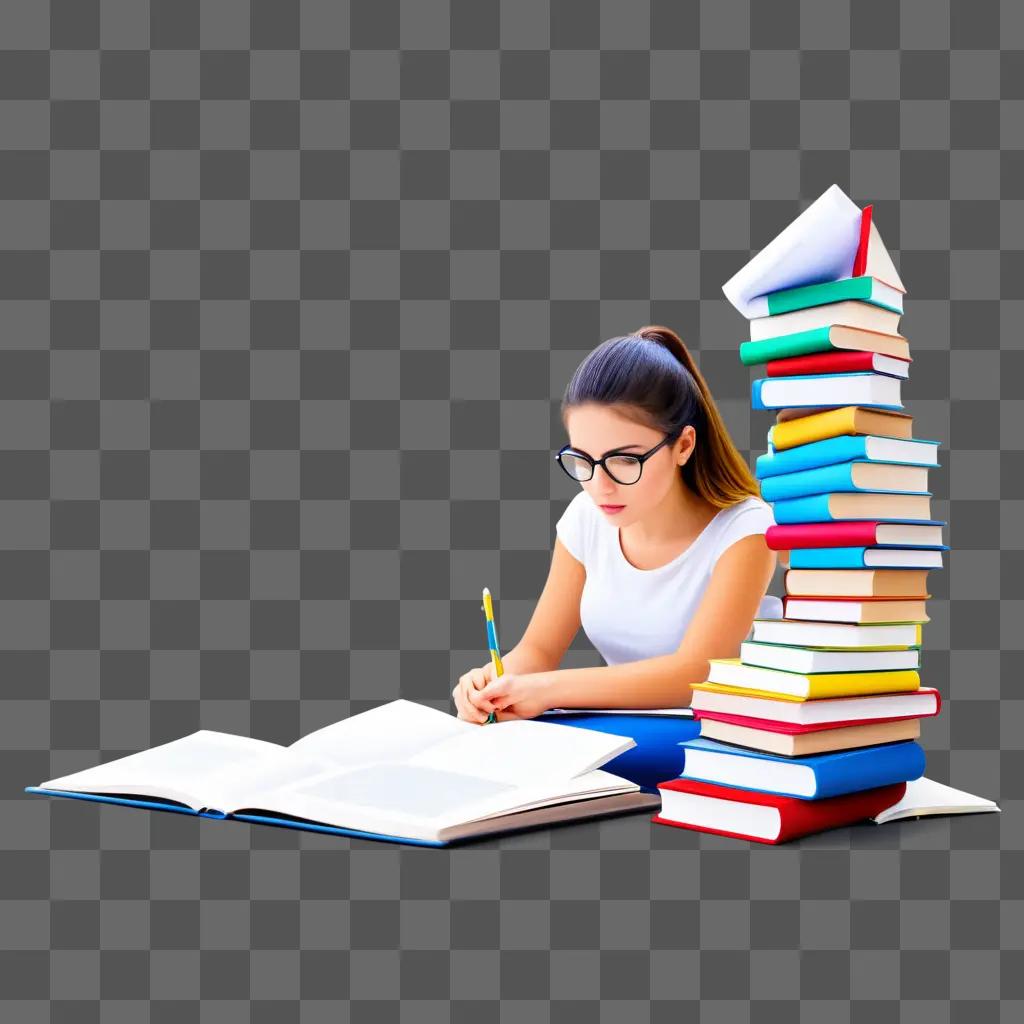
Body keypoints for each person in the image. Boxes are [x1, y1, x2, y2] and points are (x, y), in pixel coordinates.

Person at [452, 325, 779, 724]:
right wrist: (491, 684)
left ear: (684, 446)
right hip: (621, 729)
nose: (599, 485)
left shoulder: (746, 529)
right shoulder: (585, 518)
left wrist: (547, 690)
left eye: (625, 460)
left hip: (727, 739)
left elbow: (696, 673)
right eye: (583, 460)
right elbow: (538, 651)